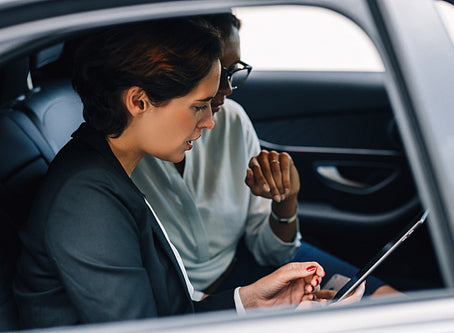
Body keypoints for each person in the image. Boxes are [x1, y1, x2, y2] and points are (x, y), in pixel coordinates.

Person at [12, 19, 329, 330]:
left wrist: (254, 303)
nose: (209, 122)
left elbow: (167, 314)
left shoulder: (110, 169)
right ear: (139, 101)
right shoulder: (86, 202)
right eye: (198, 106)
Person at [132, 13, 398, 297]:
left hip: (244, 267)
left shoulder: (231, 122)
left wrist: (285, 202)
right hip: (181, 296)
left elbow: (272, 252)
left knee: (388, 301)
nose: (225, 89)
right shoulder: (124, 159)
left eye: (232, 70)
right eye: (214, 71)